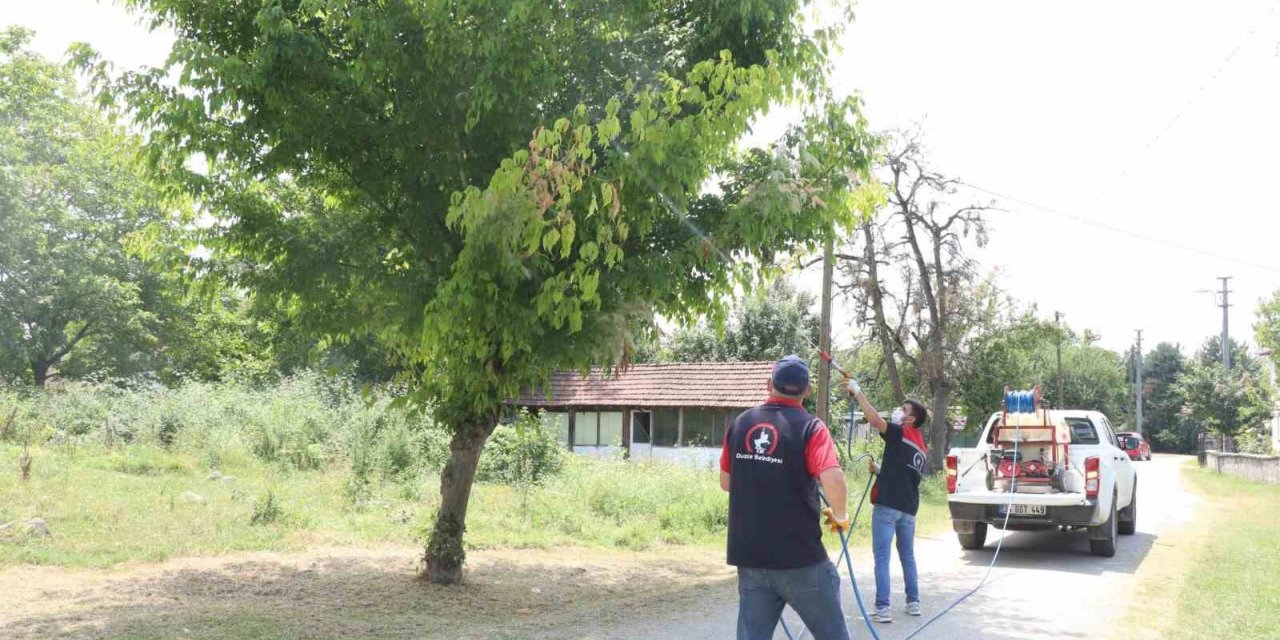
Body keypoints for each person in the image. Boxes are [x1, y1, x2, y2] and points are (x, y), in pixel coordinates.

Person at [719, 354, 852, 640]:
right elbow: (832, 475)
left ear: (770, 384)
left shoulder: (740, 423)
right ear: (806, 391)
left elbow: (727, 482)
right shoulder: (811, 427)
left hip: (751, 557)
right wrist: (840, 515)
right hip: (801, 561)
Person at [847, 379, 928, 624]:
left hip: (887, 506)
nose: (898, 411)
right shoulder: (921, 446)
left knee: (882, 557)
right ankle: (913, 602)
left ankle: (882, 608)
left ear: (911, 419)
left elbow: (873, 419)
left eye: (903, 410)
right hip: (909, 509)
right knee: (907, 556)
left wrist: (858, 392)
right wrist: (881, 470)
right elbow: (906, 474)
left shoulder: (899, 431)